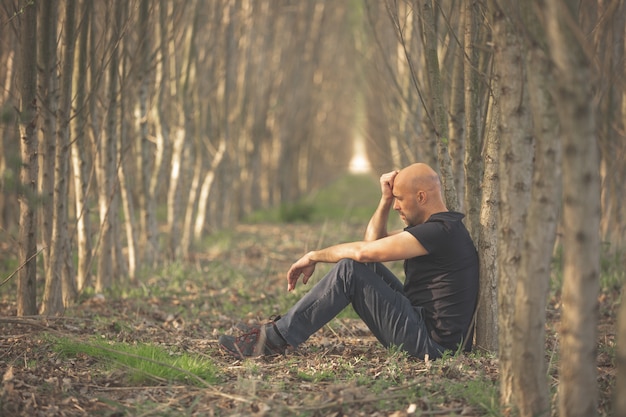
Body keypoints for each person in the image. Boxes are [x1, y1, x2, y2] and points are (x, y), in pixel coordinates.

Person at [218, 163, 479, 360]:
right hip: (423, 325)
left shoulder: (440, 233)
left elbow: (363, 252)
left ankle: (273, 340)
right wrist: (386, 199)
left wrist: (313, 255)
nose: (397, 207)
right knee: (364, 267)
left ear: (421, 197)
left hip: (434, 347)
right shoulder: (440, 229)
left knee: (349, 270)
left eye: (400, 199)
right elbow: (372, 243)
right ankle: (276, 331)